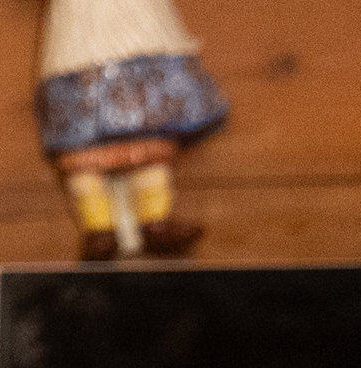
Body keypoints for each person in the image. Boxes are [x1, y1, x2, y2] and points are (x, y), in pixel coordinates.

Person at [33, 0, 227, 260]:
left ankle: (153, 220)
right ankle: (99, 228)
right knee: (82, 148)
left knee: (152, 133)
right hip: (82, 42)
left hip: (138, 29)